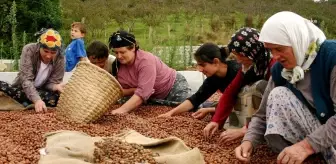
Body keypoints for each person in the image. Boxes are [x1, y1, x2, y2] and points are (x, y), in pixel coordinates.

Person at [235, 11, 336, 164]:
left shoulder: (331, 57)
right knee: (278, 94)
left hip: (329, 136)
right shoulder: (281, 70)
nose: (275, 57)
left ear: (297, 40)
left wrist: (306, 147)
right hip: (318, 136)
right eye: (270, 50)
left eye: (280, 49)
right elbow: (262, 114)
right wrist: (248, 140)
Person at [203, 27, 276, 142]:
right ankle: (241, 127)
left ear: (252, 51)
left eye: (241, 55)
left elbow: (274, 104)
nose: (238, 60)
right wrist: (216, 120)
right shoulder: (248, 68)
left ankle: (256, 133)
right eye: (236, 55)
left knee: (260, 86)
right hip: (255, 118)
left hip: (271, 116)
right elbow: (230, 92)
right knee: (241, 91)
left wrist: (246, 130)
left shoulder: (273, 66)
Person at [108, 30, 191, 114]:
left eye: (122, 52)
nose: (119, 56)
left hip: (172, 87)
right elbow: (119, 90)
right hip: (151, 97)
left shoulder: (145, 61)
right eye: (116, 52)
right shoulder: (116, 65)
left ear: (133, 48)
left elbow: (143, 93)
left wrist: (121, 110)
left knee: (189, 111)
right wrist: (132, 90)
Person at [158, 43, 240, 117]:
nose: (200, 69)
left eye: (203, 65)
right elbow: (196, 99)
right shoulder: (213, 78)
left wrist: (210, 110)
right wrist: (170, 113)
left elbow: (241, 103)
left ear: (215, 61)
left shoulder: (237, 72)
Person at [0, 29, 65, 112]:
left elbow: (50, 83)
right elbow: (26, 79)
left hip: (41, 92)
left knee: (55, 99)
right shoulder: (29, 50)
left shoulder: (60, 58)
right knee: (3, 85)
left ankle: (22, 102)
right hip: (21, 88)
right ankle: (28, 102)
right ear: (39, 46)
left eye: (53, 53)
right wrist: (37, 100)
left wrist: (55, 86)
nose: (48, 56)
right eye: (45, 51)